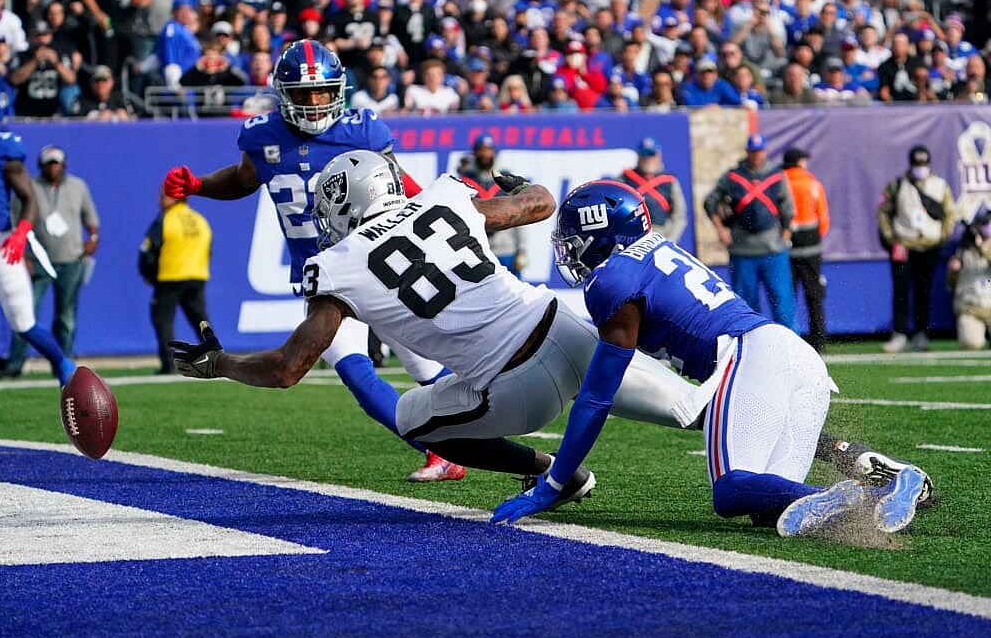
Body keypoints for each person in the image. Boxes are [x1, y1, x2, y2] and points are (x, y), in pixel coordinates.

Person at [170, 150, 932, 517]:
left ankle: (551, 470)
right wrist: (501, 189)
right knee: (704, 406)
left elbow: (281, 369)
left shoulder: (335, 262)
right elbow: (536, 202)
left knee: (407, 417)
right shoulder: (442, 194)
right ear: (389, 182)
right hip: (564, 321)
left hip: (519, 384)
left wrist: (222, 364)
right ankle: (862, 463)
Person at [491, 180, 927, 538]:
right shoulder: (656, 249)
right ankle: (892, 486)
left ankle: (858, 496)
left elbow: (597, 397)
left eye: (577, 242)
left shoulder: (612, 280)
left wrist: (551, 485)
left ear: (603, 234)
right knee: (766, 500)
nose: (572, 252)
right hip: (793, 355)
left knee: (731, 490)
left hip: (749, 353)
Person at [161, 39, 463, 483]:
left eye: (323, 91)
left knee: (423, 365)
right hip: (328, 276)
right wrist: (201, 186)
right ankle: (443, 450)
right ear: (284, 94)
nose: (316, 102)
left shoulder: (361, 129)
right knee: (357, 373)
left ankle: (474, 443)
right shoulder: (263, 136)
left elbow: (401, 185)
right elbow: (246, 179)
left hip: (381, 259)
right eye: (304, 94)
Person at [0, 81, 76, 423]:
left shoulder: (1, 147)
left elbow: (29, 198)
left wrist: (21, 233)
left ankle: (64, 367)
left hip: (1, 244)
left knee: (24, 323)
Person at [0, 145, 100, 379]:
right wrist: (23, 256)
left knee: (66, 317)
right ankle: (15, 365)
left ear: (64, 164)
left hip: (70, 259)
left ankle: (63, 365)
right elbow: (16, 223)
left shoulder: (78, 187)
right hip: (39, 260)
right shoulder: (30, 188)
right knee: (25, 312)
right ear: (41, 166)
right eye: (49, 164)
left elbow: (91, 218)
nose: (53, 168)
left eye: (56, 163)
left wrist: (93, 238)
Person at [704, 134, 796, 330]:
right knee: (746, 307)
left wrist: (787, 229)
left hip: (772, 247)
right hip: (742, 249)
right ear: (747, 152)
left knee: (782, 303)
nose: (756, 156)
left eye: (759, 151)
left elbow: (787, 205)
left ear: (765, 151)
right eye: (753, 151)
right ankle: (750, 348)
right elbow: (710, 201)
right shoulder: (733, 176)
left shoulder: (776, 175)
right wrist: (720, 229)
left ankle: (790, 347)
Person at [877, 145, 957, 353]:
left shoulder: (940, 185)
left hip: (929, 246)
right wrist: (890, 237)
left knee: (923, 291)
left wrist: (942, 237)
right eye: (916, 164)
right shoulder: (897, 185)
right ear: (910, 164)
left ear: (929, 164)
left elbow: (950, 213)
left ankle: (921, 334)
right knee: (901, 291)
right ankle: (899, 334)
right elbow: (883, 212)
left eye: (923, 164)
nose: (920, 168)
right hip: (904, 245)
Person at [139, 187, 212, 375]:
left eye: (165, 195)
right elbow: (209, 250)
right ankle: (215, 358)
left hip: (170, 277)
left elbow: (148, 252)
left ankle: (169, 363)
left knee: (163, 320)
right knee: (200, 320)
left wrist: (149, 275)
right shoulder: (200, 220)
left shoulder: (166, 219)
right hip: (197, 275)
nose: (160, 198)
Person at [458, 133, 528, 277]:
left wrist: (522, 249)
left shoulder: (506, 179)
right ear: (475, 152)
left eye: (488, 149)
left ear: (494, 152)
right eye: (481, 150)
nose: (485, 154)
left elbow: (521, 215)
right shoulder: (466, 180)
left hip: (506, 249)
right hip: (479, 251)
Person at [782, 147, 829, 352]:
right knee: (814, 296)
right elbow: (824, 219)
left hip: (785, 249)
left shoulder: (779, 182)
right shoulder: (812, 183)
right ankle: (818, 340)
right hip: (811, 249)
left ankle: (788, 341)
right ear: (800, 163)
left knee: (786, 298)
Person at [615, 137, 687, 243]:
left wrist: (670, 240)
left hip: (661, 234)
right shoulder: (625, 179)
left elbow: (679, 215)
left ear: (658, 156)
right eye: (645, 154)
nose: (648, 159)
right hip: (633, 235)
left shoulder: (669, 181)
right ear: (639, 156)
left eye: (651, 154)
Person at [947, 206, 991, 350]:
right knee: (971, 343)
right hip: (970, 308)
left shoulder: (985, 249)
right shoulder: (963, 251)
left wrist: (982, 248)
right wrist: (953, 272)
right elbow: (951, 284)